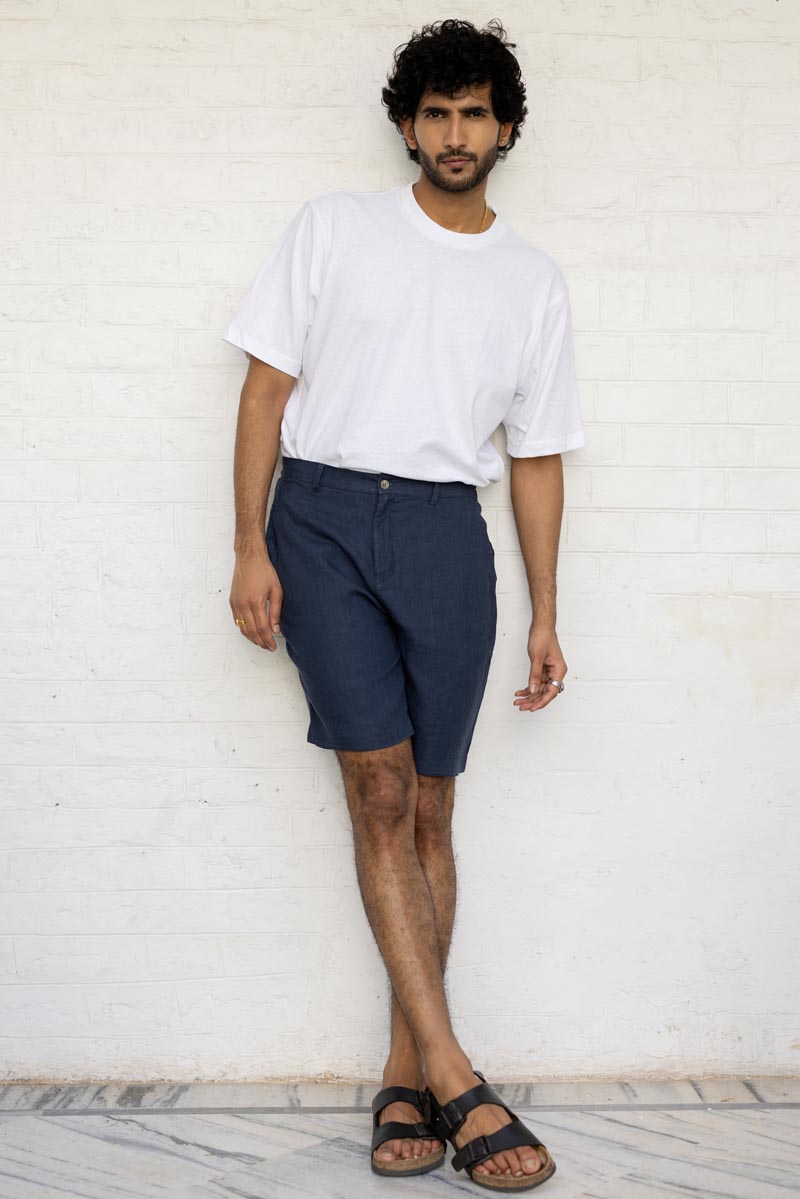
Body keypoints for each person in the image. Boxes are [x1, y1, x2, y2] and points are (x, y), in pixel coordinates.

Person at [222, 17, 585, 1192]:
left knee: (431, 804)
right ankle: (459, 1078)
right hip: (320, 520)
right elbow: (264, 390)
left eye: (474, 113)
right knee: (375, 787)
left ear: (505, 129)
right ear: (406, 125)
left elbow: (535, 456)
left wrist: (544, 610)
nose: (453, 133)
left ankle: (402, 1069)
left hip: (443, 530)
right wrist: (248, 545)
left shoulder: (531, 280)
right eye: (435, 113)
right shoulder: (334, 227)